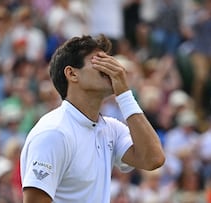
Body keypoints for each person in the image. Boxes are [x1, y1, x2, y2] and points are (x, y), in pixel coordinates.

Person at [20, 34, 165, 203]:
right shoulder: (54, 132)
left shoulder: (111, 128)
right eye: (98, 60)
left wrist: (125, 95)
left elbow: (154, 159)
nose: (110, 67)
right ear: (72, 74)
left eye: (108, 59)